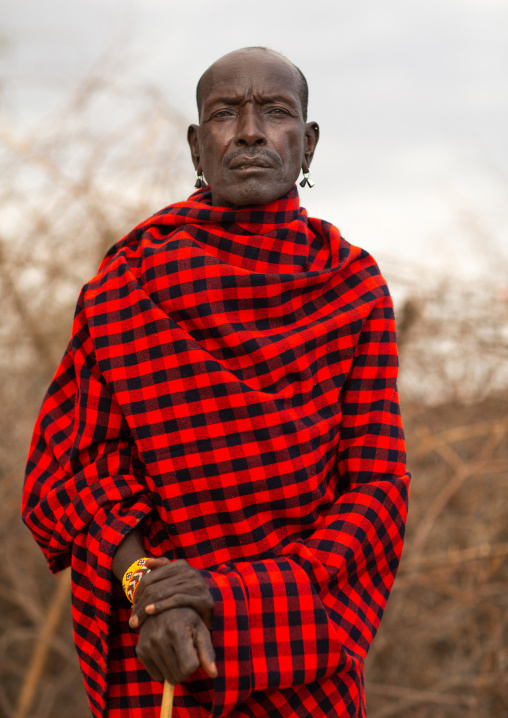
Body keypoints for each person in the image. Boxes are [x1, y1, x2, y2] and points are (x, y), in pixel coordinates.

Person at [22, 47, 410, 718]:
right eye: (225, 114)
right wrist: (148, 586)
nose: (252, 131)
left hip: (295, 650)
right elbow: (70, 477)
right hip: (163, 650)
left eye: (276, 112)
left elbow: (376, 493)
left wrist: (232, 600)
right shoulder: (130, 283)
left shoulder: (352, 286)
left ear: (308, 146)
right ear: (198, 147)